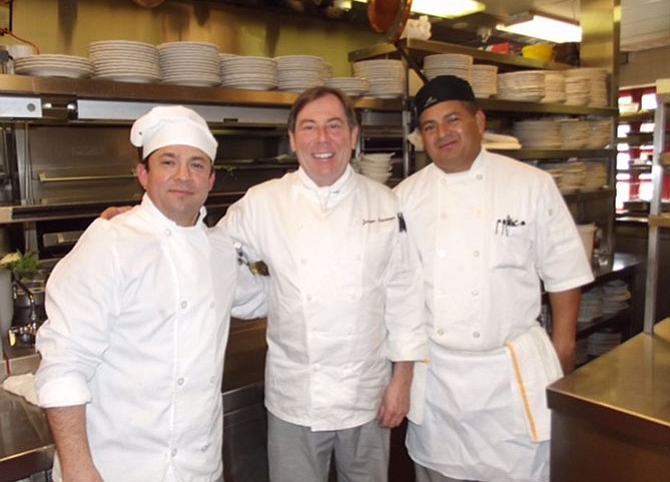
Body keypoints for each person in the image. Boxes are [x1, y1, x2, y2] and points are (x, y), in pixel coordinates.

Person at [35, 105, 267, 482]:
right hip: (115, 471)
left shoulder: (221, 252)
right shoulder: (110, 242)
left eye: (196, 165)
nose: (182, 176)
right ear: (143, 174)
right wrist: (78, 468)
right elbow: (64, 362)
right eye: (168, 162)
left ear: (210, 180)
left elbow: (266, 296)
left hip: (199, 470)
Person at [219, 86, 427, 481]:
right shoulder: (263, 202)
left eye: (334, 126)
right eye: (309, 127)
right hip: (295, 396)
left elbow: (404, 294)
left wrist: (403, 380)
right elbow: (212, 254)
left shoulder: (384, 203)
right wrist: (146, 226)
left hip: (366, 393)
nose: (322, 139)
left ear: (353, 136)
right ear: (294, 139)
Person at [395, 75, 594, 482]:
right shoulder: (405, 197)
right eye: (430, 126)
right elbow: (397, 289)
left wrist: (563, 353)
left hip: (510, 380)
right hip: (440, 384)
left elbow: (564, 272)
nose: (442, 133)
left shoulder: (530, 185)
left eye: (453, 119)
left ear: (479, 121)